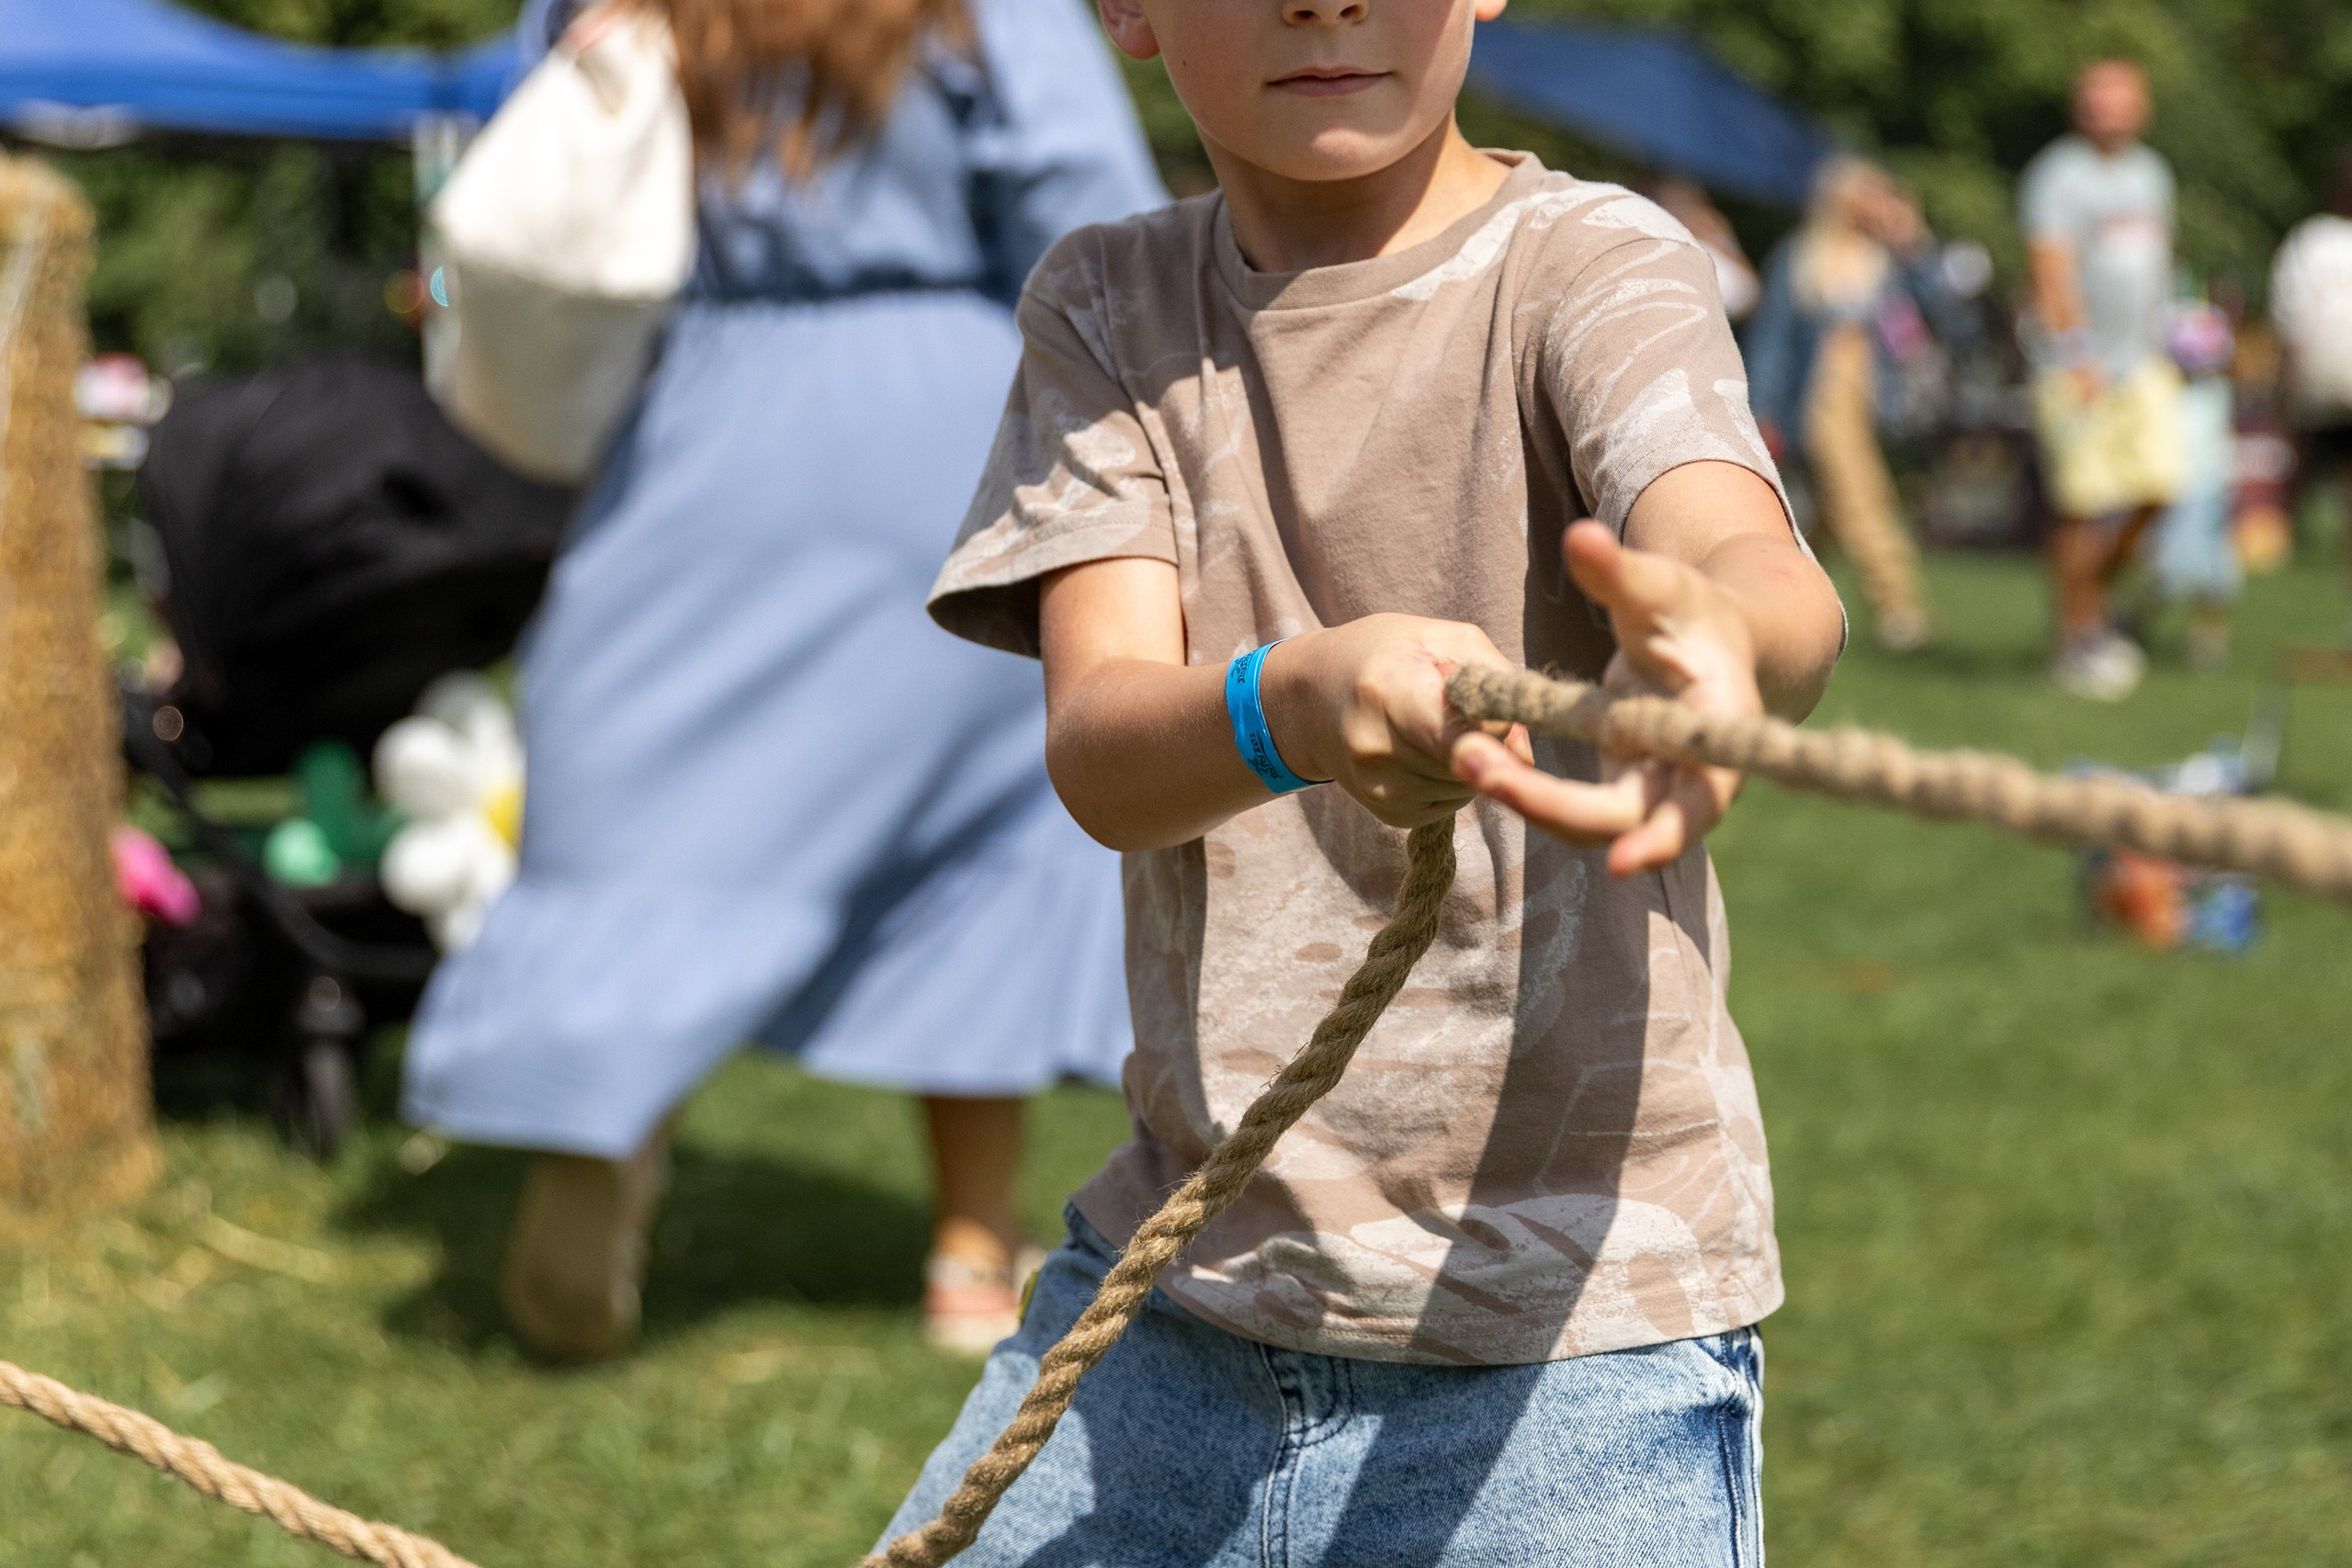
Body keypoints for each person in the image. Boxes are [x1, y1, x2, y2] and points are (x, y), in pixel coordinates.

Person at [876, 0, 1847, 1560]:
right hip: (1172, 1313)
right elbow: (1104, 746)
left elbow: (1734, 545)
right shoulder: (1108, 304)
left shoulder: (1595, 262)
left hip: (1570, 1350)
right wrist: (1289, 702)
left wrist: (1724, 645)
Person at [400, 0, 1166, 1361]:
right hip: (945, 420)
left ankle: (610, 1114)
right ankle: (970, 1253)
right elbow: (1087, 199)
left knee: (637, 810)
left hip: (703, 405)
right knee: (970, 833)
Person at [1747, 157, 1962, 651]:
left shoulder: (1888, 263)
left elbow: (1945, 312)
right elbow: (1773, 342)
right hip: (1820, 396)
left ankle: (1782, 593)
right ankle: (1899, 607)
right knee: (1864, 496)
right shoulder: (1799, 257)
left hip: (1871, 396)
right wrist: (1763, 409)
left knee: (1831, 511)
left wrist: (1914, 243)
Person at [2020, 58, 2182, 701]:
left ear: (2141, 106)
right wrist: (2077, 352)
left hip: (2143, 360)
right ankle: (2076, 634)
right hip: (2077, 365)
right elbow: (2051, 268)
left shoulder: (2152, 173)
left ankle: (2097, 603)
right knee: (2084, 506)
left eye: (2119, 100)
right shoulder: (2058, 176)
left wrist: (2175, 337)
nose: (2107, 111)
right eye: (2095, 99)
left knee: (2161, 486)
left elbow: (2159, 263)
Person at [2271, 145, 2352, 630]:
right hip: (2323, 385)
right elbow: (2292, 320)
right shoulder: (2314, 240)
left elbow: (2289, 318)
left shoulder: (2310, 241)